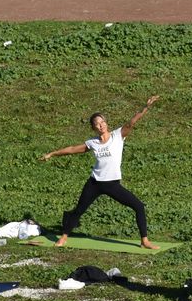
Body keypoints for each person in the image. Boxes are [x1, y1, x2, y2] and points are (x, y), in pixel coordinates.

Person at [41, 96, 160, 251]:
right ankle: (63, 237)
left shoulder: (118, 135)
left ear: (106, 123)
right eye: (97, 124)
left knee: (138, 206)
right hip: (95, 183)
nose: (101, 125)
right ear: (94, 128)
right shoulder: (93, 143)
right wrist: (52, 154)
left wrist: (146, 107)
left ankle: (144, 240)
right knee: (79, 210)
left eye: (102, 122)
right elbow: (72, 149)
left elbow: (131, 123)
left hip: (112, 184)